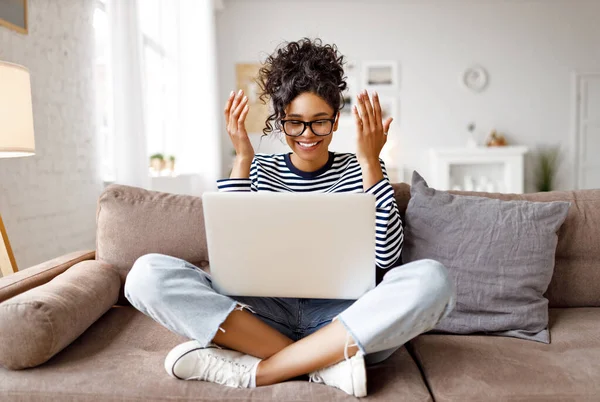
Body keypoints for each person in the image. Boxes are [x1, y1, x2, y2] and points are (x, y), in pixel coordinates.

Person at [124, 38, 455, 398]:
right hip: (260, 315)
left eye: (319, 123)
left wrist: (370, 161)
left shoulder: (363, 167)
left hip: (346, 320)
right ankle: (326, 367)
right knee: (145, 275)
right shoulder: (258, 168)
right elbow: (233, 259)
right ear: (280, 122)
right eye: (295, 123)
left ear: (335, 118)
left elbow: (387, 257)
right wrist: (241, 160)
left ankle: (261, 371)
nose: (307, 135)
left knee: (433, 280)